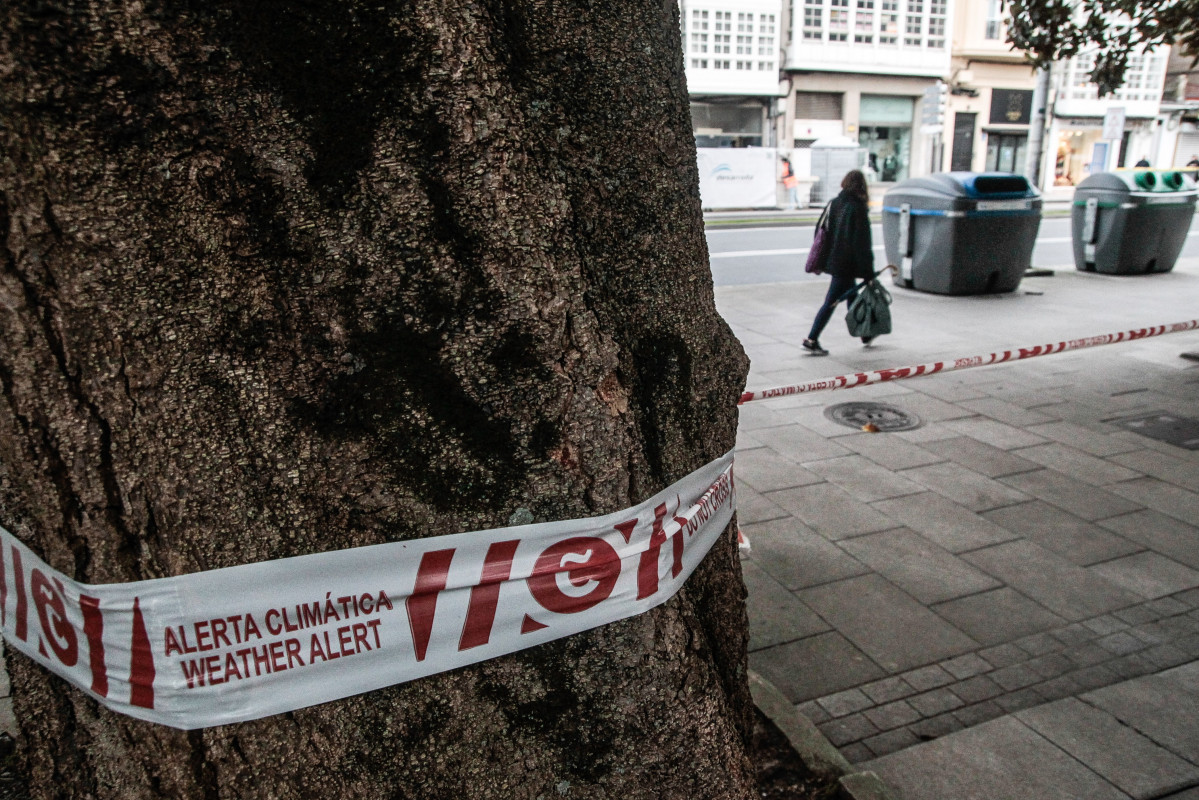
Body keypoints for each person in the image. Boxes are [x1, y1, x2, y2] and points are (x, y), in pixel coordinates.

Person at [803, 169, 875, 356]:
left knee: (852, 297)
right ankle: (812, 338)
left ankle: (865, 334)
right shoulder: (858, 208)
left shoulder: (834, 204)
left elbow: (820, 230)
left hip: (835, 260)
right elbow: (862, 243)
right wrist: (868, 272)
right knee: (831, 301)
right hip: (846, 264)